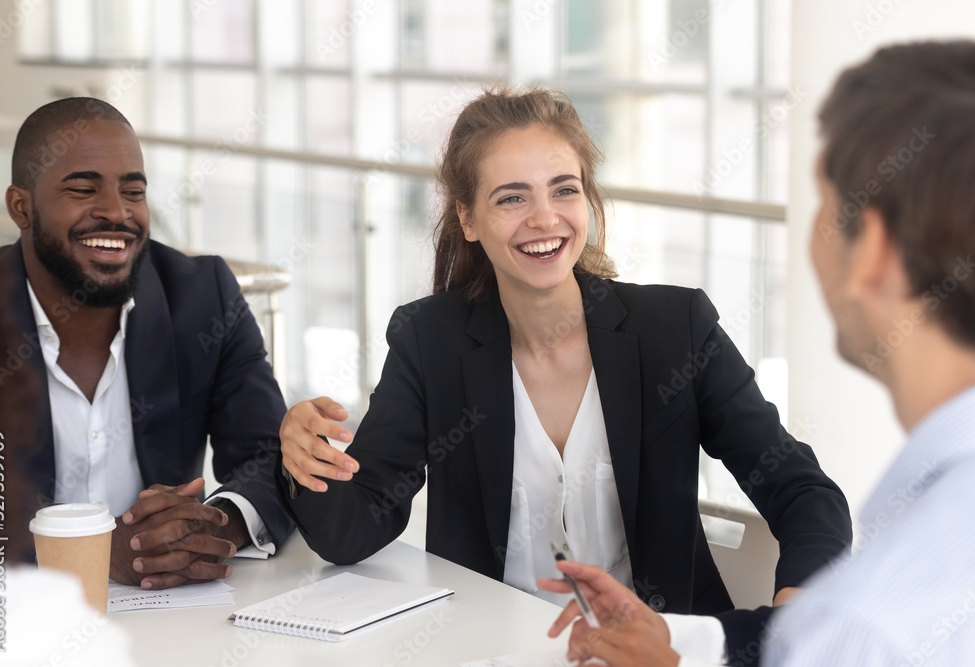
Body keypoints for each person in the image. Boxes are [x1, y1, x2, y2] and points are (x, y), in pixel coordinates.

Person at [278, 88, 851, 620]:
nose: (545, 218)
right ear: (468, 219)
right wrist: (307, 460)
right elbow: (352, 532)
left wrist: (796, 612)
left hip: (655, 650)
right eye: (511, 198)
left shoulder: (676, 330)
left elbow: (803, 490)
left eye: (564, 189)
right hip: (491, 648)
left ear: (588, 199)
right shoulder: (431, 341)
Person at [538, 39, 975, 666]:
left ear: (871, 250)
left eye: (824, 203)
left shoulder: (866, 621)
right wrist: (682, 644)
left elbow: (806, 506)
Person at [0, 97, 293, 590]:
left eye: (133, 191)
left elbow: (269, 457)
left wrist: (206, 528)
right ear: (21, 207)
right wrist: (81, 554)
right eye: (83, 189)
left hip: (164, 615)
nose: (116, 211)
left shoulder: (202, 297)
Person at [0, 244, 138, 665]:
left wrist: (222, 524)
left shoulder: (197, 289)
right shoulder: (48, 630)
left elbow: (261, 451)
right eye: (82, 188)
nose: (114, 209)